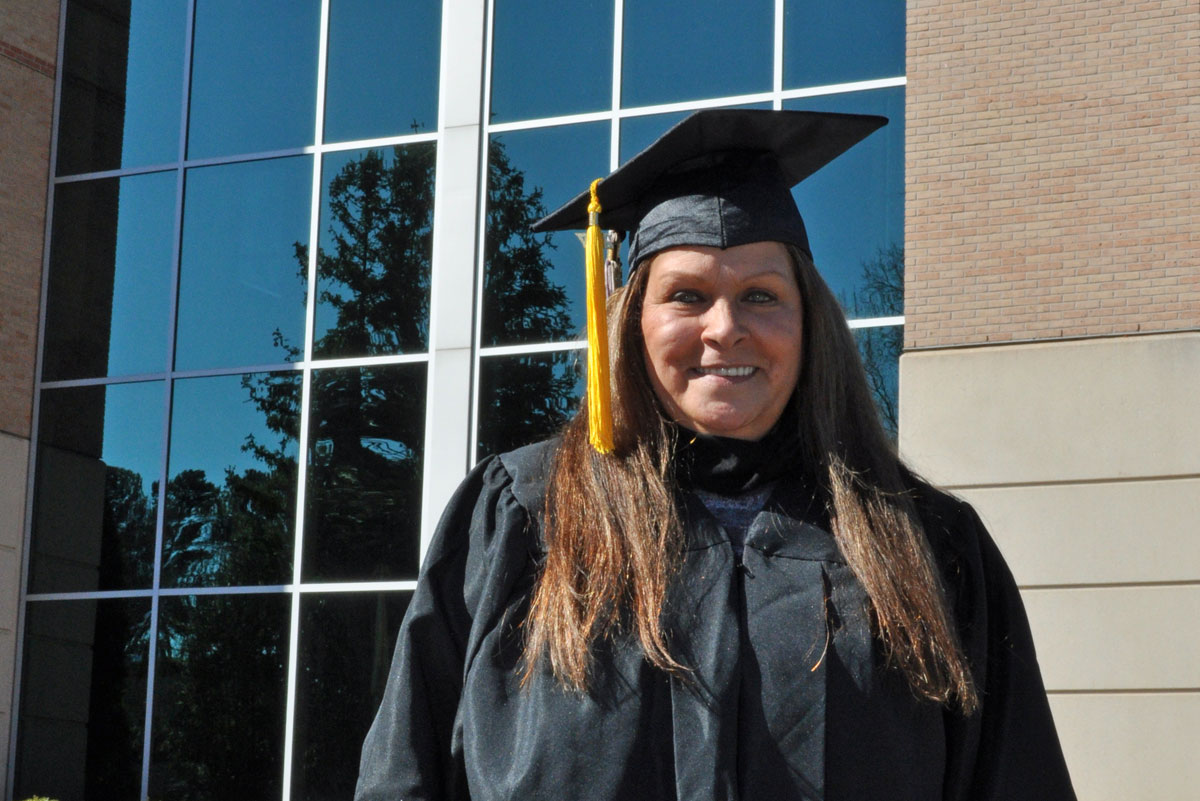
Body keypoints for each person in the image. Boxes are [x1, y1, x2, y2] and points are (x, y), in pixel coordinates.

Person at [355, 109, 1077, 800]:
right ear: (633, 321)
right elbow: (404, 776)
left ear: (810, 324)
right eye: (687, 295)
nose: (725, 328)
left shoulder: (928, 546)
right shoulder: (520, 517)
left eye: (761, 295)